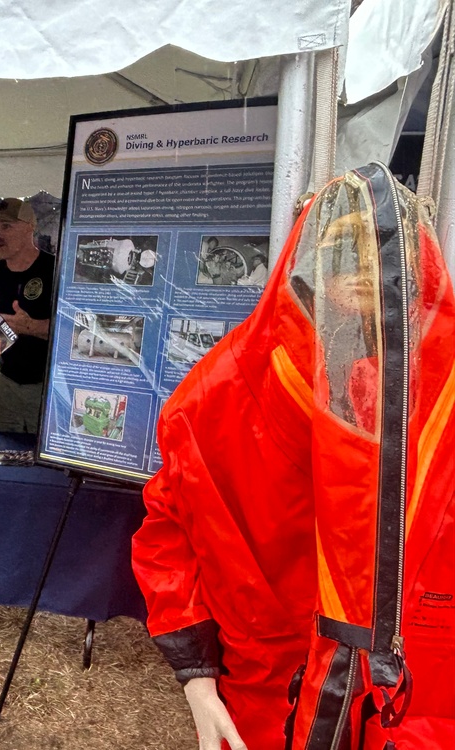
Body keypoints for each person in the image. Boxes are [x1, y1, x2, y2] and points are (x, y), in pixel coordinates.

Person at [132, 163, 455, 750]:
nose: (363, 273)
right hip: (272, 684)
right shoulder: (228, 387)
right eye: (345, 254)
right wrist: (197, 674)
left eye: (380, 256)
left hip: (414, 687)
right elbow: (171, 525)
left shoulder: (441, 390)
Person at [0, 198, 54, 433]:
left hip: (48, 389)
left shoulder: (55, 270)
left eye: (6, 226)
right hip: (6, 387)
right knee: (1, 456)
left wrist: (29, 326)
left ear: (30, 227)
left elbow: (76, 332)